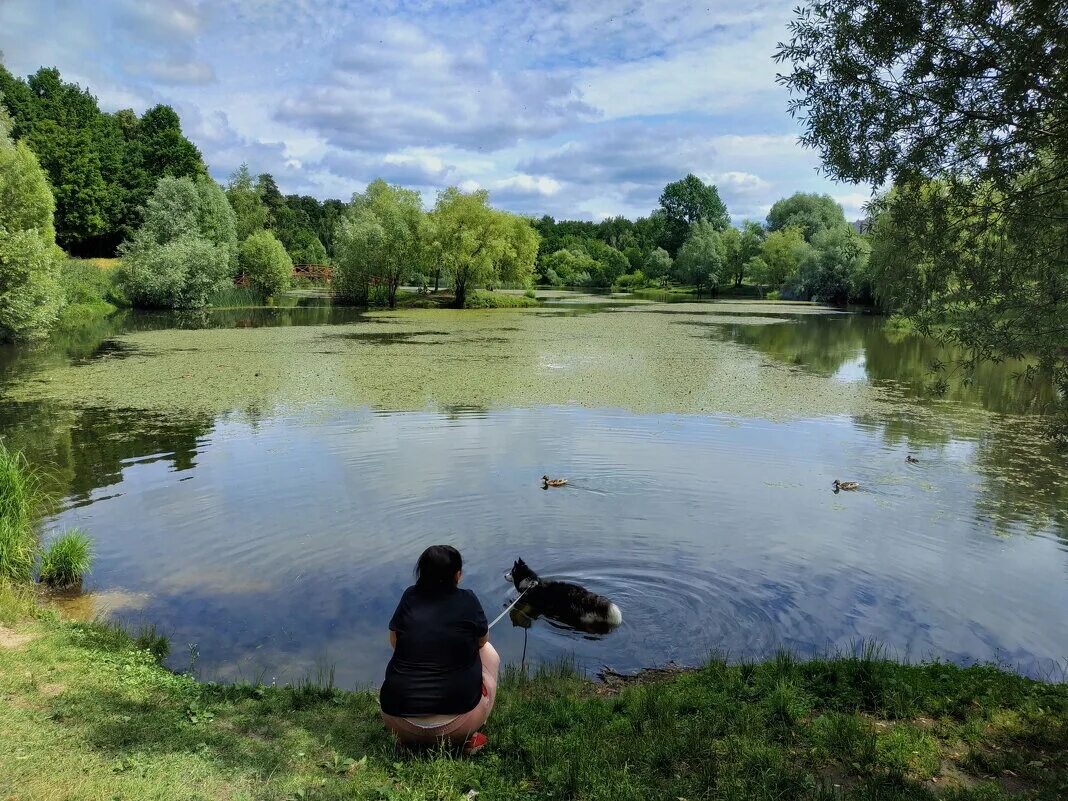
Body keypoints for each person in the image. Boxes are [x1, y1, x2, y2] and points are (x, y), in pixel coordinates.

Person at [380, 545, 499, 754]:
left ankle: (406, 741)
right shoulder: (468, 599)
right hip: (457, 726)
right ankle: (468, 738)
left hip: (397, 720)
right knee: (489, 652)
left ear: (421, 573)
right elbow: (482, 641)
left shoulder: (409, 597)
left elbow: (395, 641)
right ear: (458, 575)